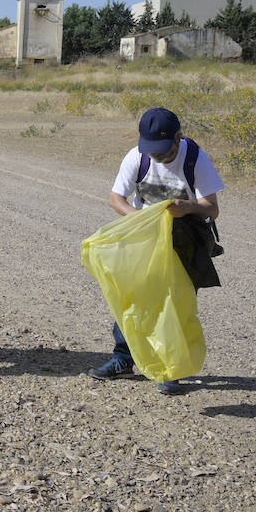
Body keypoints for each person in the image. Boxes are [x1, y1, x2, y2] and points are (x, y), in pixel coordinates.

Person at [87, 107, 224, 395]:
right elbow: (116, 198)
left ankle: (171, 370)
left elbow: (212, 208)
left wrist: (187, 207)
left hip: (183, 243)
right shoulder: (137, 156)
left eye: (163, 151)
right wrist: (140, 220)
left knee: (176, 304)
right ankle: (123, 360)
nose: (157, 157)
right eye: (153, 152)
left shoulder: (196, 158)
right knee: (131, 298)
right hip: (143, 238)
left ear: (179, 138)